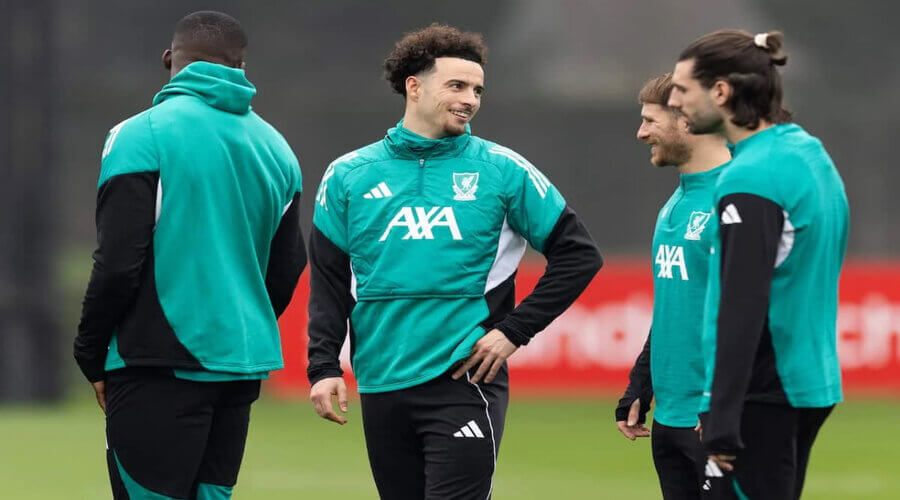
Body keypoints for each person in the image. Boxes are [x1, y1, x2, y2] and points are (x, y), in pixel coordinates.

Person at [306, 24, 602, 499]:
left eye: (477, 90)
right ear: (414, 87)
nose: (470, 100)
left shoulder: (502, 169)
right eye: (457, 86)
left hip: (465, 379)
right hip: (380, 379)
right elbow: (328, 280)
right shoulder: (347, 175)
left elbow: (579, 255)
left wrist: (514, 331)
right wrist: (323, 367)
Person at [73, 11, 305, 499]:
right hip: (238, 366)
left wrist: (90, 353)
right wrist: (236, 324)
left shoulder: (140, 134)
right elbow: (288, 267)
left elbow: (118, 262)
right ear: (241, 68)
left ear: (168, 60)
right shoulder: (277, 148)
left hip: (157, 364)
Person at [668, 29, 849, 499]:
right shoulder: (807, 152)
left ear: (721, 91)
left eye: (683, 89)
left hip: (764, 391)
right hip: (808, 381)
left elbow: (742, 305)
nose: (673, 100)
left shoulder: (750, 176)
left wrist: (722, 416)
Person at [616, 73, 731, 499]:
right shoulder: (675, 202)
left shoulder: (738, 198)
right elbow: (675, 307)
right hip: (672, 420)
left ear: (686, 119)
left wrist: (723, 403)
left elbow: (756, 315)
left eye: (651, 121)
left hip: (717, 420)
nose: (641, 132)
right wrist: (641, 383)